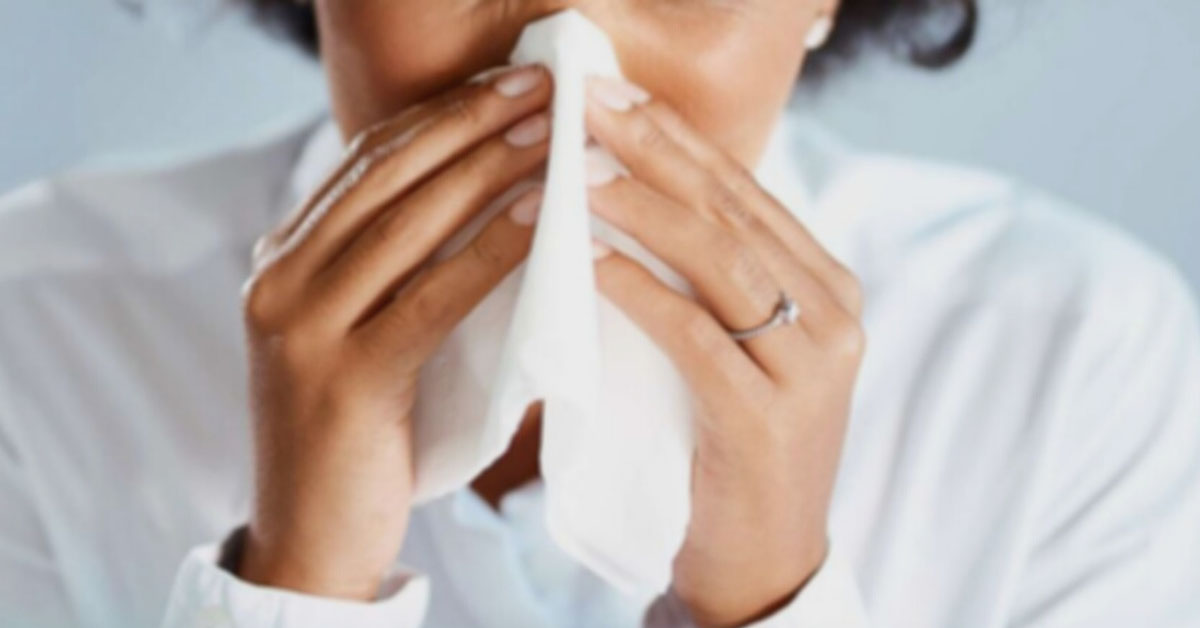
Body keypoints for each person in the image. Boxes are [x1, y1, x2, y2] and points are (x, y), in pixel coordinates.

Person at [1, 1, 1197, 626]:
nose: (570, 60)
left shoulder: (1071, 361)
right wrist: (293, 582)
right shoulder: (41, 332)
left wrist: (771, 597)